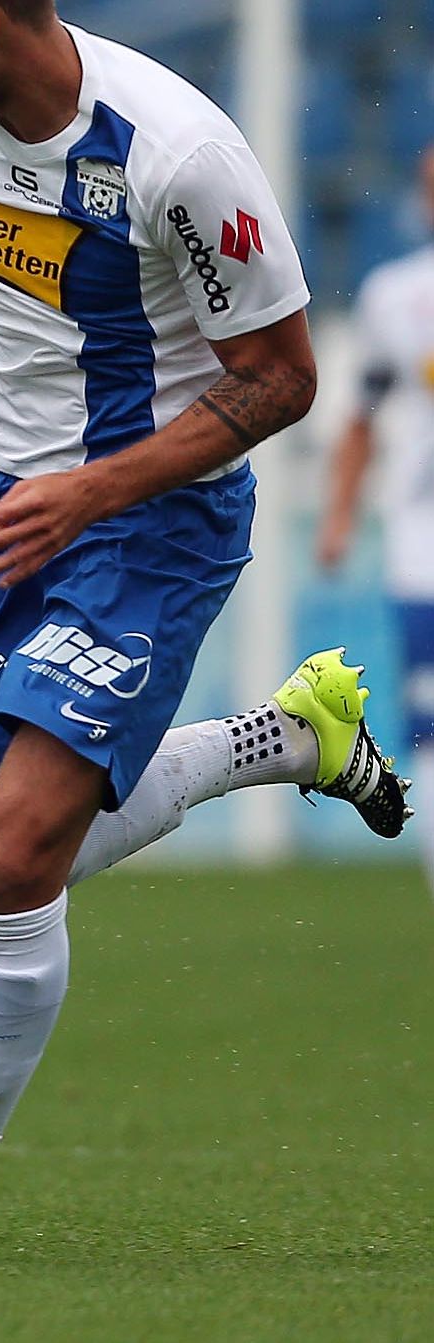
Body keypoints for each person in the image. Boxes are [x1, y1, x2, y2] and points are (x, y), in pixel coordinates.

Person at [0, 0, 410, 1265]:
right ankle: (287, 737)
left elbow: (279, 382)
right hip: (6, 511)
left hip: (148, 520)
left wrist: (85, 492)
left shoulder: (179, 157)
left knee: (16, 855)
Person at [315, 144, 434, 844]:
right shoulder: (396, 294)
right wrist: (338, 515)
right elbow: (361, 414)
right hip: (422, 536)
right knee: (427, 710)